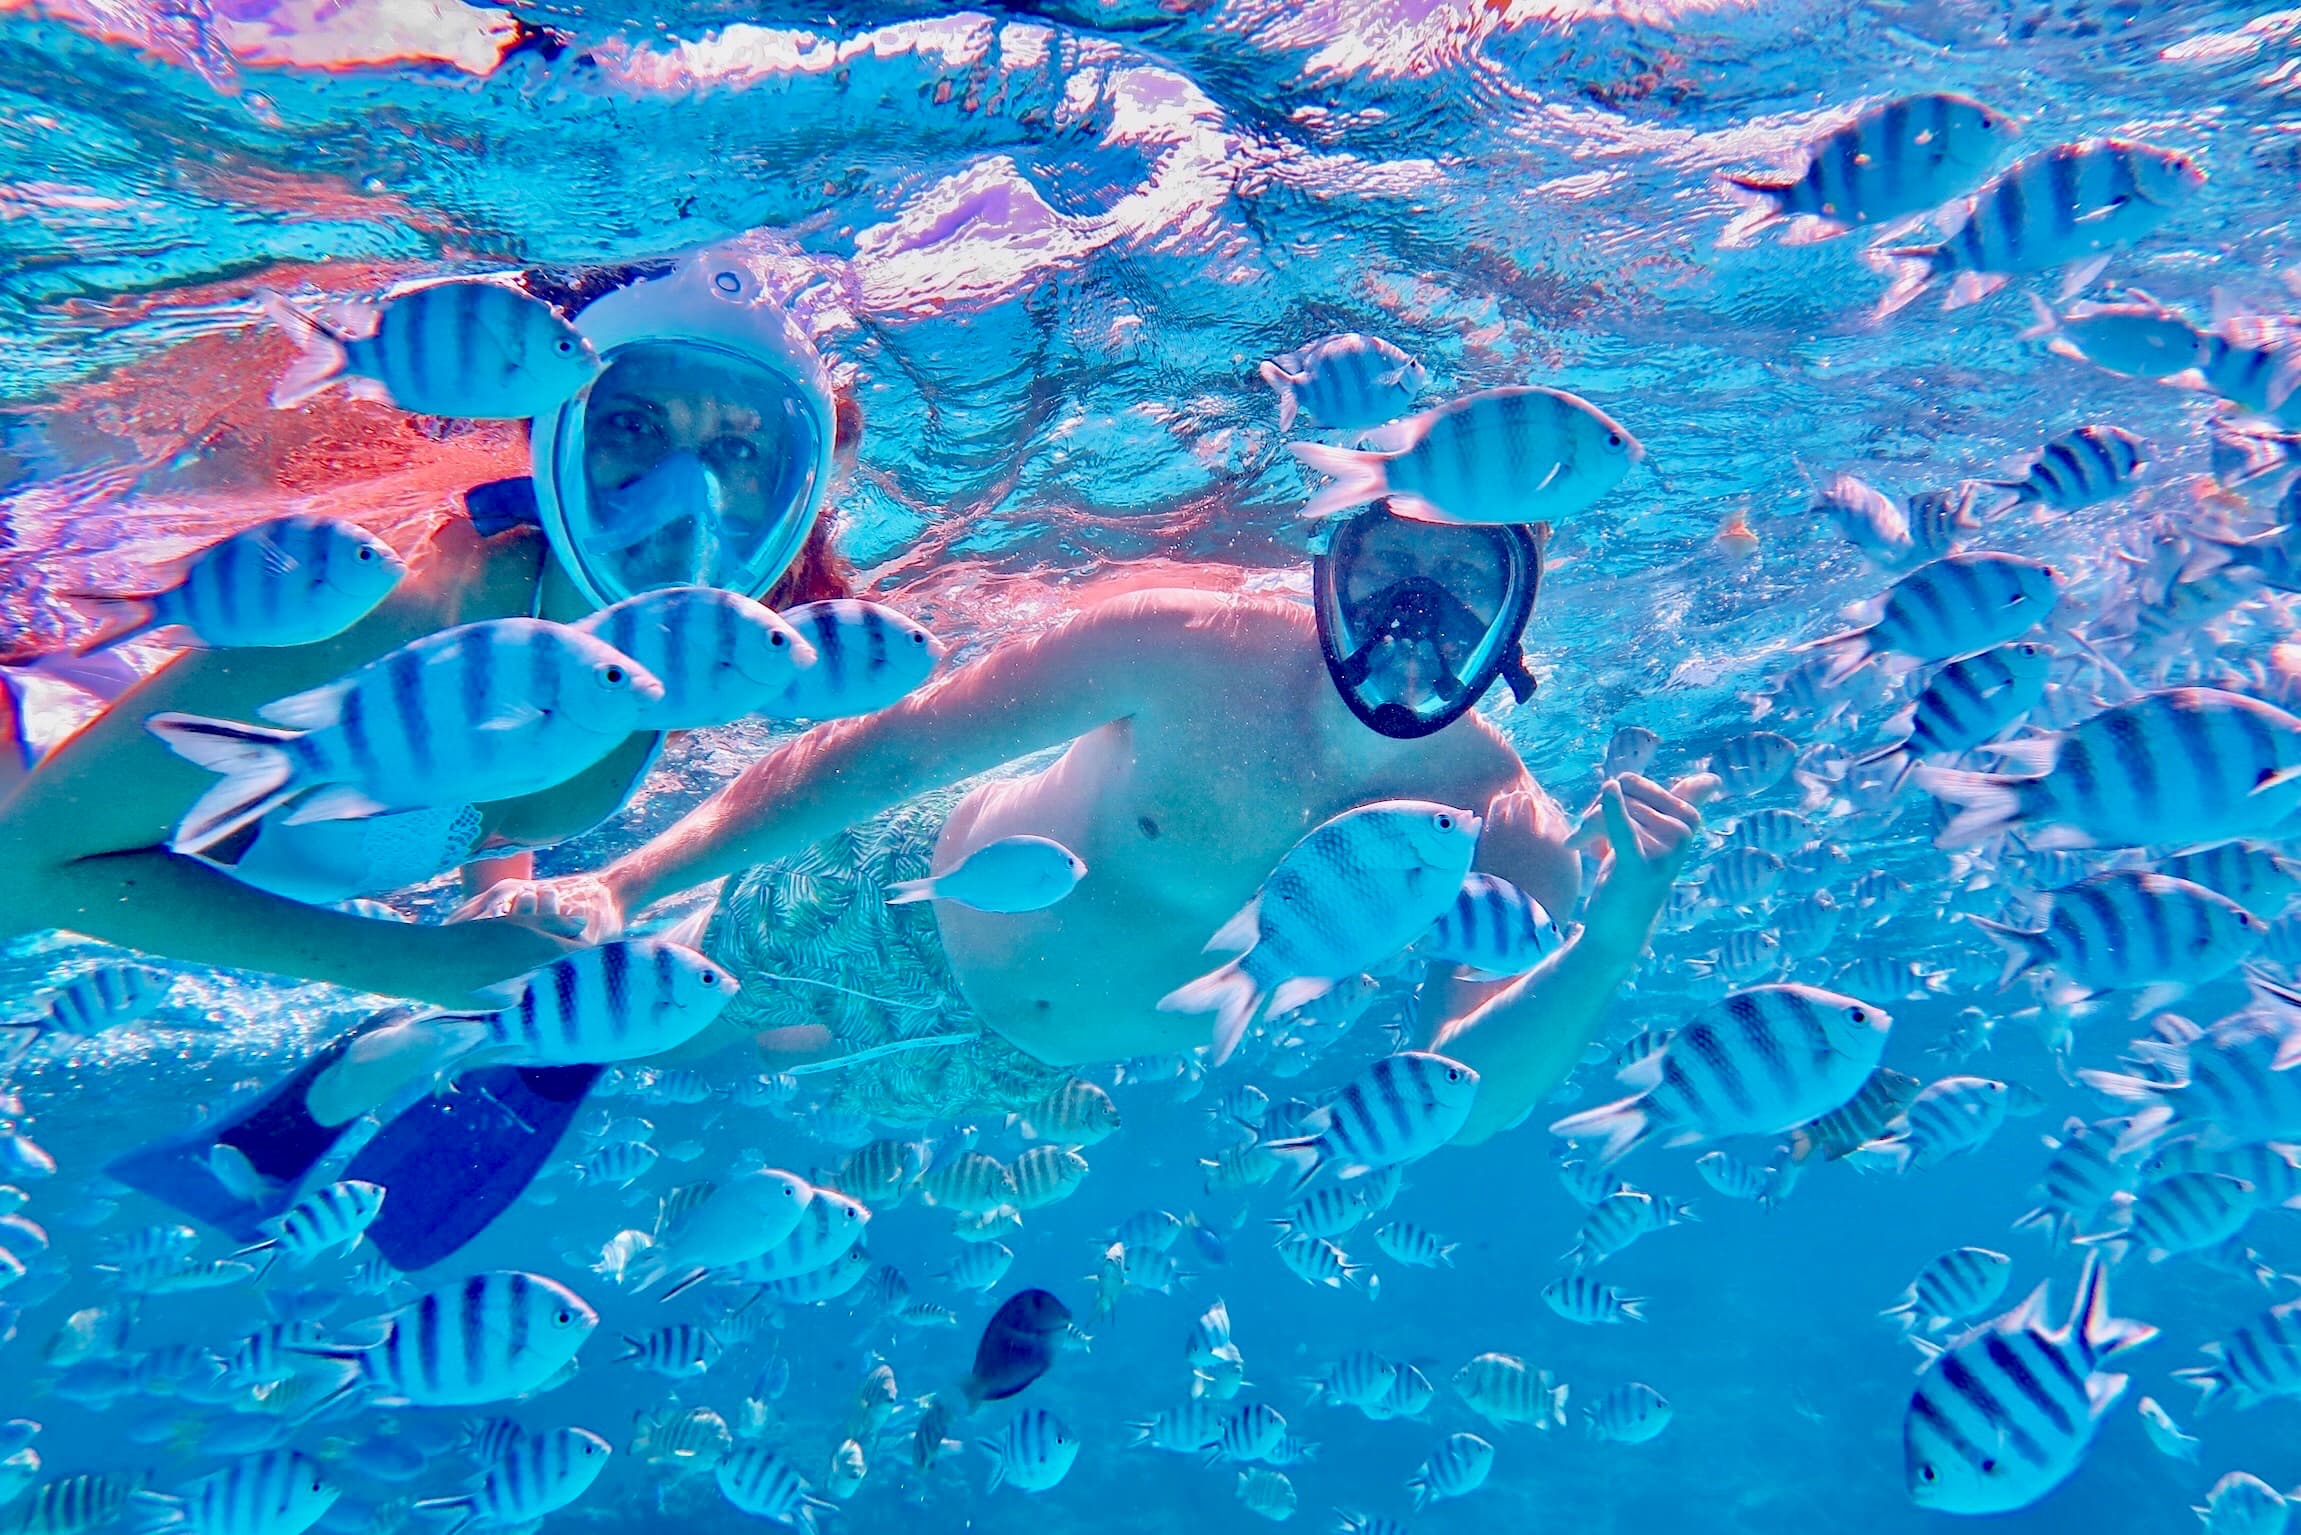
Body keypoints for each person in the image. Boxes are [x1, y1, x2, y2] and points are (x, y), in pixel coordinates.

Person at [0, 242, 870, 1254]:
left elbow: (484, 765)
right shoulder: (406, 610)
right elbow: (30, 864)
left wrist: (500, 890)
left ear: (796, 492)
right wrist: (431, 968)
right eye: (633, 425)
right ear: (553, 432)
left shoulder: (691, 654)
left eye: (736, 453)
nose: (682, 500)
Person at [458, 504, 1706, 1143]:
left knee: (748, 1067)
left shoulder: (1507, 834)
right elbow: (891, 751)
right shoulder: (1182, 645)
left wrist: (1608, 943)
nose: (1408, 624)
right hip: (886, 895)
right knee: (670, 1019)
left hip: (1006, 1069)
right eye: (1386, 569)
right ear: (1332, 554)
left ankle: (543, 1050)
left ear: (1519, 616)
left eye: (1465, 587)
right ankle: (476, 1011)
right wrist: (626, 877)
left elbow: (1468, 1104)